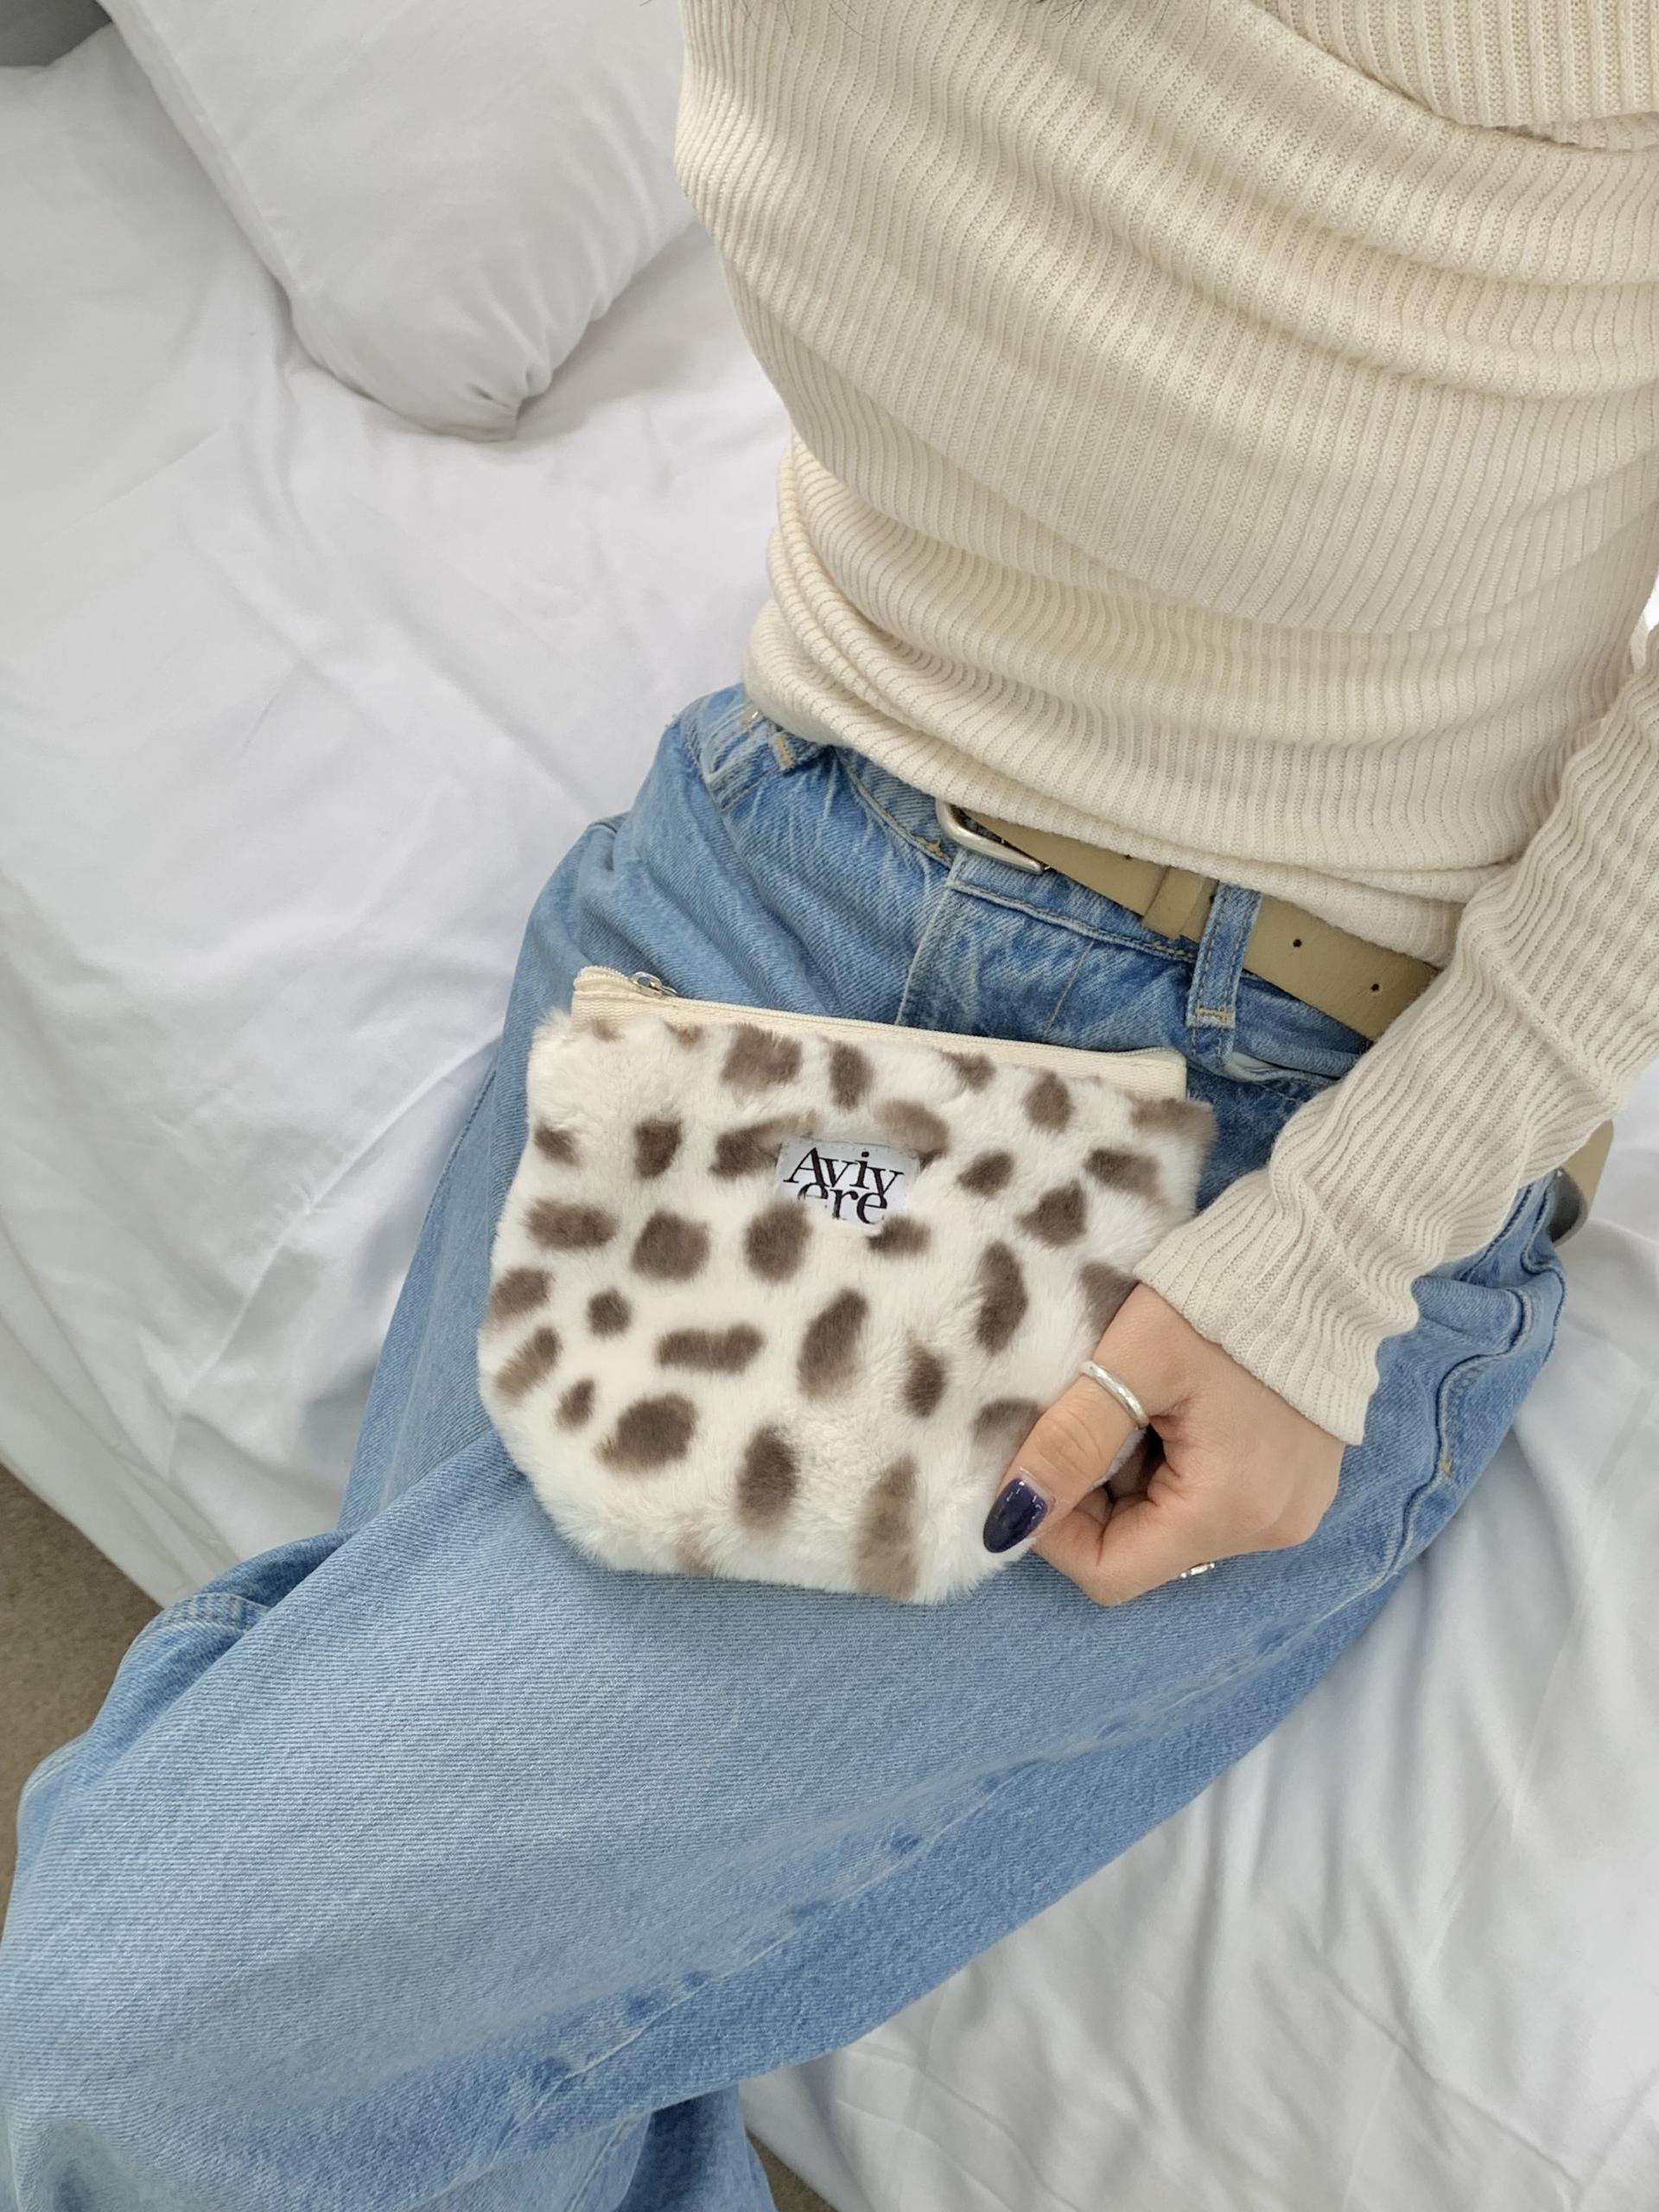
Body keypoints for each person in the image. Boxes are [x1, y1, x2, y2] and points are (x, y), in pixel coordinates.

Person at [3, 3, 1655, 2205]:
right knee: (445, 2085)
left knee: (151, 2022)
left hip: (1257, 1114)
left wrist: (1341, 1254)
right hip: (761, 857)